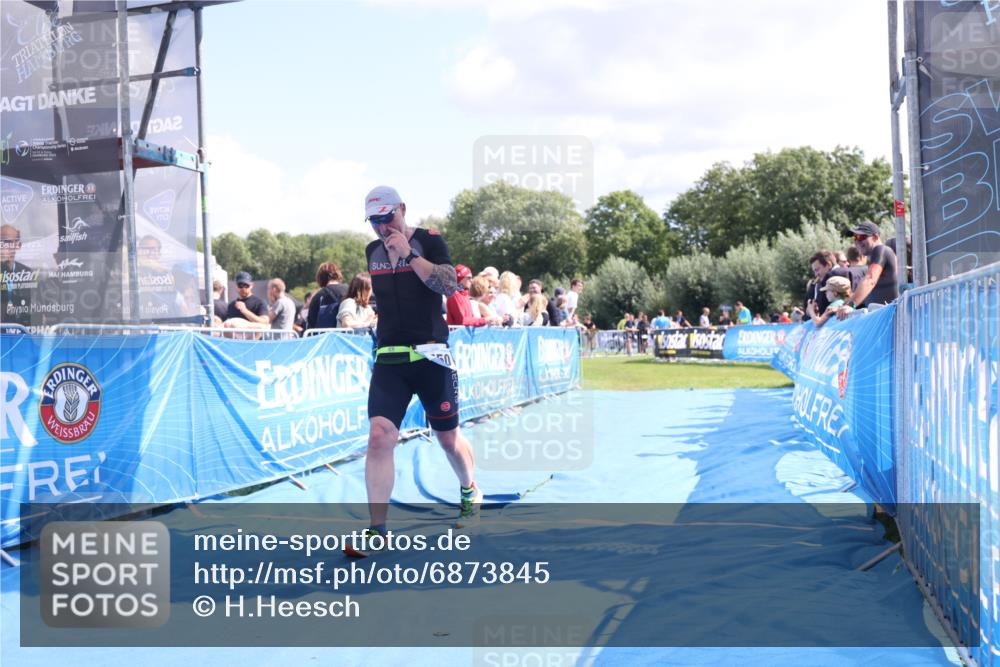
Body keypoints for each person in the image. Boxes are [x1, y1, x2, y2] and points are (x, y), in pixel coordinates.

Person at [346, 185, 481, 556]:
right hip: (389, 357)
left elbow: (449, 284)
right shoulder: (372, 251)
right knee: (379, 436)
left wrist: (408, 255)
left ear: (402, 209)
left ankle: (469, 489)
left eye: (387, 217)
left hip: (431, 355)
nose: (381, 226)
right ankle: (377, 529)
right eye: (374, 220)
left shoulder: (429, 240)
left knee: (447, 438)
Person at [837, 221, 899, 319]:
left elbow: (870, 280)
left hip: (891, 320)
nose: (857, 242)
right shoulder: (875, 259)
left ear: (875, 237)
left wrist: (850, 305)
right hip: (885, 318)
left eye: (861, 237)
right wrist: (843, 306)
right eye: (855, 238)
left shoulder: (881, 250)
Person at [1, 223, 37, 326]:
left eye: (9, 242)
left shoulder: (28, 273)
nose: (4, 247)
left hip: (23, 330)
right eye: (1, 242)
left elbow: (36, 307)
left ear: (18, 245)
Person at [805, 250, 851, 320]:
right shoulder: (848, 272)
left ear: (829, 265)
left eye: (817, 270)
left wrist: (811, 311)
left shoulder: (831, 276)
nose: (816, 274)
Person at [307, 262, 348, 330]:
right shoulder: (349, 290)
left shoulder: (318, 296)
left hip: (326, 338)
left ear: (320, 277)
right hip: (349, 337)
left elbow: (311, 323)